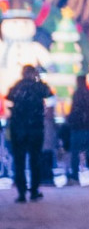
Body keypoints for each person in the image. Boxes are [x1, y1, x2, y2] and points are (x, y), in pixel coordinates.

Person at [7, 65, 50, 202]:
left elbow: (10, 98)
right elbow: (48, 92)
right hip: (35, 129)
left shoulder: (18, 87)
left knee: (19, 162)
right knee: (35, 161)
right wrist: (39, 79)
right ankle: (34, 191)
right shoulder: (37, 87)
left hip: (18, 129)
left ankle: (21, 193)